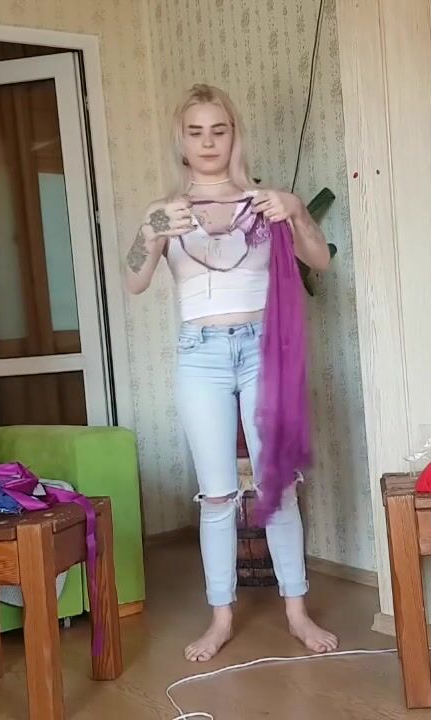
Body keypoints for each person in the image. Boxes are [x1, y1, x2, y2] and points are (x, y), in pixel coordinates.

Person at [124, 84, 338, 662]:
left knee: (278, 485)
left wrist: (296, 210)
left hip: (263, 349)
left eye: (218, 130)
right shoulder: (166, 211)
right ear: (182, 141)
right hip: (201, 354)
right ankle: (220, 618)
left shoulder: (264, 203)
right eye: (196, 132)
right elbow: (134, 281)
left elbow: (318, 259)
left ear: (233, 135)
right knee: (217, 494)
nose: (208, 142)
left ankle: (297, 611)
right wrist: (150, 231)